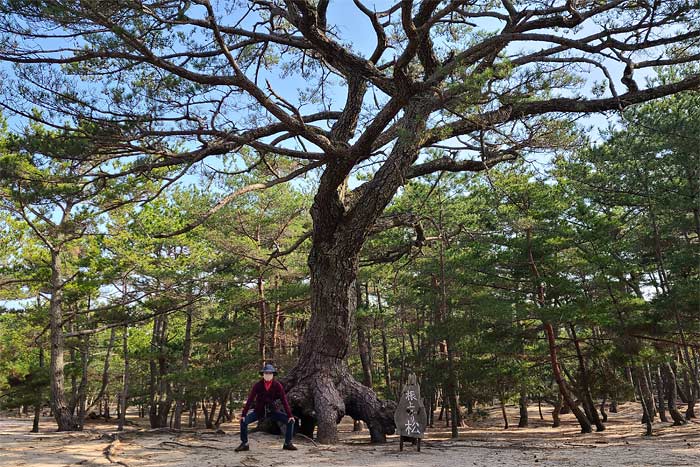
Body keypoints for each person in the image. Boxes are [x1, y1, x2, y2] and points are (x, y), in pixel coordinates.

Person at [235, 363, 297, 451]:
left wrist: (290, 415)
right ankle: (244, 443)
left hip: (273, 412)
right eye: (266, 373)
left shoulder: (277, 385)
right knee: (243, 422)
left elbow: (284, 401)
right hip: (259, 411)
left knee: (290, 421)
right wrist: (243, 414)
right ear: (263, 374)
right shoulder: (257, 385)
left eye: (270, 373)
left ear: (273, 375)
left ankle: (287, 443)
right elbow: (250, 399)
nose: (268, 375)